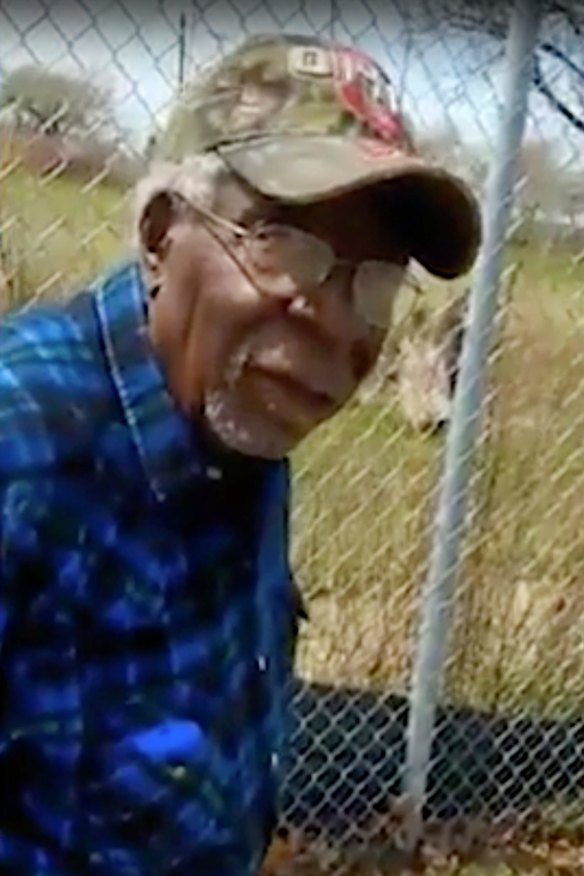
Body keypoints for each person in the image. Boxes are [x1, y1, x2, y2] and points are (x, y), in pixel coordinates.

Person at [0, 31, 481, 876]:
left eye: (374, 282)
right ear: (159, 237)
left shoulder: (233, 416)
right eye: (283, 245)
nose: (336, 321)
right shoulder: (23, 452)